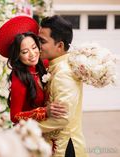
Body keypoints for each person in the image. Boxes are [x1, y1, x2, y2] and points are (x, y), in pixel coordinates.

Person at [0, 16, 66, 125]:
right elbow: (14, 116)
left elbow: (59, 60)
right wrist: (44, 112)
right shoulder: (19, 77)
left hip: (48, 128)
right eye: (24, 52)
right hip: (30, 133)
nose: (32, 54)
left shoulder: (41, 63)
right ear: (17, 55)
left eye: (34, 48)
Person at [38, 15, 88, 157]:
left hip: (65, 148)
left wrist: (30, 127)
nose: (38, 45)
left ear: (59, 46)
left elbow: (61, 118)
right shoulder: (57, 67)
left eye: (42, 41)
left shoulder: (63, 73)